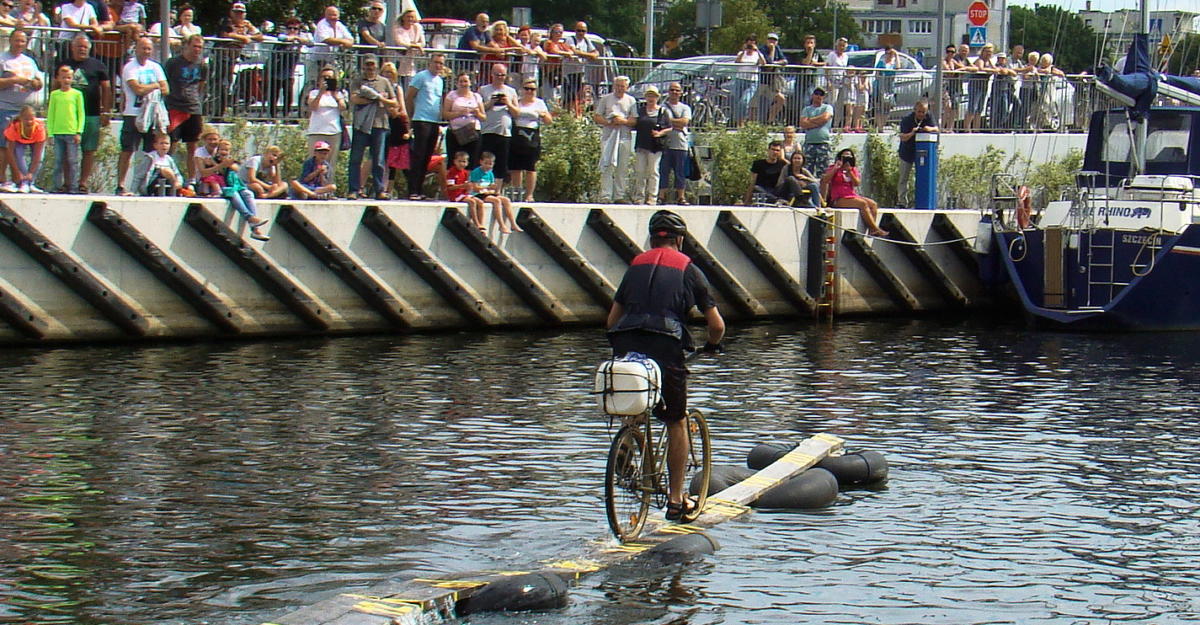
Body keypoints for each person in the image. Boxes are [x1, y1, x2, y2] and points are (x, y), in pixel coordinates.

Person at [606, 209, 725, 522]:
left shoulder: (635, 266)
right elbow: (717, 325)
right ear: (680, 239)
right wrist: (712, 346)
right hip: (665, 342)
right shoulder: (689, 269)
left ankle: (628, 440)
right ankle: (676, 500)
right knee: (676, 420)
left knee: (634, 402)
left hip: (625, 339)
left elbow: (611, 320)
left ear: (650, 238)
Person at [116, 36, 167, 196]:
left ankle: (147, 185)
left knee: (151, 153)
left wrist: (151, 87)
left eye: (148, 49)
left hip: (152, 115)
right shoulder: (130, 67)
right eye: (143, 48)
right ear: (136, 48)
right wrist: (155, 85)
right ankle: (121, 185)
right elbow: (137, 89)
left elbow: (166, 89)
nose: (146, 51)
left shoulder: (156, 67)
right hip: (133, 114)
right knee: (127, 150)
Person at [60, 34, 111, 193]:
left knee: (89, 150)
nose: (82, 49)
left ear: (89, 48)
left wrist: (106, 111)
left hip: (91, 113)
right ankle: (68, 183)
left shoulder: (98, 65)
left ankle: (83, 183)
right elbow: (55, 86)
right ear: (72, 47)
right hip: (68, 116)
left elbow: (106, 89)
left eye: (85, 46)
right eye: (78, 46)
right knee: (68, 152)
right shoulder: (64, 65)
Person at [348, 53, 398, 200]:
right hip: (361, 125)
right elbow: (355, 99)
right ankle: (353, 189)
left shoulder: (384, 82)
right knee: (356, 159)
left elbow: (394, 102)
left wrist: (379, 98)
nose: (370, 68)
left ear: (376, 66)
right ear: (363, 66)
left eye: (372, 65)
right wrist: (375, 98)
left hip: (379, 124)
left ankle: (379, 190)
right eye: (367, 64)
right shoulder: (357, 81)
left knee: (379, 160)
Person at [0, 29, 42, 193]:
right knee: (4, 146)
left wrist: (36, 83)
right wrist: (14, 80)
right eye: (17, 40)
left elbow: (39, 80)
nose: (19, 44)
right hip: (6, 107)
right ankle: (3, 180)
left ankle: (23, 181)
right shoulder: (2, 59)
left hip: (25, 111)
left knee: (22, 148)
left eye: (23, 41)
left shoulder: (30, 61)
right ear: (10, 40)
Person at [163, 34, 206, 187]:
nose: (197, 50)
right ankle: (167, 176)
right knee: (171, 143)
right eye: (195, 46)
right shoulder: (173, 63)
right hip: (174, 106)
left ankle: (192, 179)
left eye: (200, 47)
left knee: (192, 145)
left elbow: (201, 85)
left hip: (193, 107)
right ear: (186, 46)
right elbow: (165, 82)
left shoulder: (202, 64)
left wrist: (194, 99)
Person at [405, 53, 446, 201]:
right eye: (436, 62)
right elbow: (409, 97)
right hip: (421, 119)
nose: (438, 66)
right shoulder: (421, 76)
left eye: (441, 63)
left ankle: (419, 189)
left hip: (434, 121)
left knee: (427, 156)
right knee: (418, 155)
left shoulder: (440, 81)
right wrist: (410, 118)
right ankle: (412, 190)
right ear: (430, 63)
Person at [823, 148, 886, 237]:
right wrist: (835, 169)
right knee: (862, 204)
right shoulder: (833, 167)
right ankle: (875, 229)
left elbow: (856, 183)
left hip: (851, 196)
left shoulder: (852, 169)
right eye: (844, 156)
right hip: (839, 198)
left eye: (849, 156)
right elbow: (825, 180)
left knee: (873, 204)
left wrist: (849, 172)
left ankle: (872, 229)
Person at [214, 2, 261, 118]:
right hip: (221, 58)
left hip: (234, 59)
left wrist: (248, 36)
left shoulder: (246, 24)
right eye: (236, 13)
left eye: (241, 13)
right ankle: (217, 113)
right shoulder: (226, 21)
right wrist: (242, 37)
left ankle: (226, 111)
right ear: (231, 13)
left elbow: (260, 36)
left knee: (228, 85)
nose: (239, 15)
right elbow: (225, 34)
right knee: (221, 85)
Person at [594, 74, 636, 203]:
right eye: (617, 86)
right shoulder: (606, 99)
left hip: (624, 137)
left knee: (622, 168)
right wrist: (609, 122)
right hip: (608, 137)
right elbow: (597, 116)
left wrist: (622, 121)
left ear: (626, 87)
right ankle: (605, 195)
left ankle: (619, 195)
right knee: (607, 166)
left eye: (622, 86)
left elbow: (634, 120)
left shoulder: (631, 100)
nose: (619, 88)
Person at [478, 62, 518, 196]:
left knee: (501, 162)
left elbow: (517, 113)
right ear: (491, 74)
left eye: (502, 75)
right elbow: (479, 109)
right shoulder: (483, 90)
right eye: (497, 75)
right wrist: (491, 102)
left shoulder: (511, 91)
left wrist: (508, 103)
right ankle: (484, 188)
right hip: (487, 130)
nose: (500, 77)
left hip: (504, 132)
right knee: (486, 161)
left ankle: (497, 191)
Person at [509, 77, 550, 202]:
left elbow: (549, 120)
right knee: (516, 167)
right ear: (522, 90)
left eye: (532, 89)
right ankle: (516, 193)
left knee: (530, 167)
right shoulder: (517, 102)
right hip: (517, 133)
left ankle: (529, 195)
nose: (529, 91)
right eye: (527, 89)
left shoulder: (539, 103)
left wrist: (543, 115)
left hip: (532, 135)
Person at [45, 64, 84, 194]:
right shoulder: (55, 95)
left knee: (72, 161)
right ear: (58, 79)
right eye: (63, 77)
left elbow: (80, 114)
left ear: (72, 79)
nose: (66, 80)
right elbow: (51, 114)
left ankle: (73, 186)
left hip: (71, 132)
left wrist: (79, 131)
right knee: (58, 161)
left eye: (68, 77)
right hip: (57, 132)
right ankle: (57, 186)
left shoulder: (77, 94)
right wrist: (50, 132)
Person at [896, 99, 938, 209]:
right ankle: (902, 202)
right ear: (915, 110)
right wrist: (912, 133)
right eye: (919, 112)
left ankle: (920, 201)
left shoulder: (928, 116)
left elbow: (937, 128)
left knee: (922, 177)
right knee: (903, 178)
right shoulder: (907, 120)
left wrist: (929, 128)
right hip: (907, 152)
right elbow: (903, 137)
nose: (921, 114)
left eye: (923, 112)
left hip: (922, 153)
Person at [631, 84, 668, 205]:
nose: (651, 98)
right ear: (645, 97)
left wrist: (660, 133)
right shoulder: (641, 111)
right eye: (649, 96)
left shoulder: (662, 112)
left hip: (655, 146)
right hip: (642, 144)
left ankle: (652, 197)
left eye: (653, 96)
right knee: (640, 171)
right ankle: (639, 197)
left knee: (653, 171)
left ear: (657, 98)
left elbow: (670, 127)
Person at [305, 65, 347, 171]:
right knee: (313, 162)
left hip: (333, 132)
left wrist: (335, 95)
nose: (326, 80)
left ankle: (328, 185)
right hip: (316, 131)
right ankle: (312, 185)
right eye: (324, 77)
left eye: (329, 78)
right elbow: (313, 107)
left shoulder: (338, 94)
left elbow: (343, 107)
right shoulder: (313, 93)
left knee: (330, 163)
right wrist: (321, 92)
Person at [265, 17, 308, 119]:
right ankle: (272, 117)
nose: (292, 31)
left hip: (289, 73)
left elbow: (310, 42)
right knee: (273, 96)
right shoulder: (282, 35)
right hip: (276, 71)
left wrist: (298, 38)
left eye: (295, 29)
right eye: (290, 28)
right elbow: (282, 38)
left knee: (288, 96)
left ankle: (286, 117)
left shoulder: (299, 38)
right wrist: (294, 38)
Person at [657, 81, 691, 205]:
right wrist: (676, 123)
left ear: (681, 93)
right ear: (668, 91)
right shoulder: (662, 107)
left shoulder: (685, 108)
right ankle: (661, 196)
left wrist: (670, 121)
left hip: (681, 144)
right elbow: (661, 122)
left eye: (677, 90)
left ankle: (681, 197)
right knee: (663, 171)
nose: (674, 92)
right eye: (672, 90)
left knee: (680, 172)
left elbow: (685, 122)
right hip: (666, 144)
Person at [443, 70, 484, 169]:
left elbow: (483, 117)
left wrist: (477, 113)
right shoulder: (452, 95)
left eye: (465, 81)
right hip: (455, 132)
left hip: (472, 132)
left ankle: (470, 183)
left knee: (472, 161)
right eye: (461, 81)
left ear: (470, 82)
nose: (463, 84)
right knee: (454, 162)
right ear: (457, 83)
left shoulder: (476, 96)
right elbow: (445, 114)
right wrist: (459, 113)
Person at [470, 151, 517, 234]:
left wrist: (492, 189)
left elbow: (492, 187)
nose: (488, 166)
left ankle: (513, 223)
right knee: (496, 201)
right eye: (486, 163)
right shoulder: (476, 172)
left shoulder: (490, 173)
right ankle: (501, 225)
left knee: (506, 200)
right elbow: (475, 187)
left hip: (487, 193)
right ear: (481, 162)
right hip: (479, 194)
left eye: (490, 164)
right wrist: (487, 188)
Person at [3, 105, 44, 193]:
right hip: (18, 141)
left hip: (35, 141)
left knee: (40, 159)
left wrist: (31, 173)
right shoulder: (14, 127)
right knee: (19, 156)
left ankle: (30, 182)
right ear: (21, 119)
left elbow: (37, 156)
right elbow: (10, 153)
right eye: (26, 119)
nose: (29, 122)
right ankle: (24, 183)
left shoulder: (39, 129)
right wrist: (17, 172)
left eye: (31, 119)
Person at [128, 131, 183, 196]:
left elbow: (177, 174)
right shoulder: (150, 158)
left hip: (168, 184)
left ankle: (176, 190)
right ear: (155, 145)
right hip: (152, 185)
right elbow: (139, 176)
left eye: (167, 143)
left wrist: (179, 182)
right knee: (165, 170)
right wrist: (132, 191)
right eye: (161, 143)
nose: (164, 146)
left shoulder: (169, 159)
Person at [563, 21, 599, 110]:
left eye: (583, 31)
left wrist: (592, 54)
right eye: (579, 31)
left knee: (579, 95)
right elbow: (575, 51)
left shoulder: (587, 41)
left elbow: (596, 52)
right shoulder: (570, 39)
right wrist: (590, 55)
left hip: (581, 72)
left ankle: (577, 114)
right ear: (575, 30)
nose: (581, 33)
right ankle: (567, 114)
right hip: (569, 72)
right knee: (569, 96)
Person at [799, 86, 833, 180]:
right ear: (813, 95)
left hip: (823, 144)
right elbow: (803, 124)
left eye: (821, 94)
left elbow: (825, 118)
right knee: (806, 171)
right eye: (816, 93)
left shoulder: (828, 107)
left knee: (823, 172)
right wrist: (818, 121)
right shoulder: (806, 109)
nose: (818, 96)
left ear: (824, 97)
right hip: (809, 143)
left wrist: (809, 120)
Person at [445, 150, 486, 228]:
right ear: (455, 161)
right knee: (472, 202)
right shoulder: (452, 172)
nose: (461, 164)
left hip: (463, 194)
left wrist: (469, 188)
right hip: (455, 195)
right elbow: (450, 187)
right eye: (459, 161)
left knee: (480, 202)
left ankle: (481, 223)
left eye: (464, 162)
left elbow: (466, 187)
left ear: (467, 163)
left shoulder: (465, 172)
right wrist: (462, 186)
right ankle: (476, 223)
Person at [742, 140, 787, 204]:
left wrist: (783, 158)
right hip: (761, 190)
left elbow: (793, 167)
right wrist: (747, 200)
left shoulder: (782, 165)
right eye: (773, 149)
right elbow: (752, 182)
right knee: (756, 187)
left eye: (777, 150)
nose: (775, 152)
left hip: (775, 190)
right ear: (768, 150)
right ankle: (776, 200)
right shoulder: (758, 164)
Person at [756, 33, 788, 123]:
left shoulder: (778, 48)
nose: (772, 42)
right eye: (770, 39)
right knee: (757, 105)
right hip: (762, 81)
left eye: (774, 40)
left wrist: (775, 62)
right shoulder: (762, 49)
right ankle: (755, 124)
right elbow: (769, 64)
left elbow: (785, 61)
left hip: (774, 82)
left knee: (780, 99)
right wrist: (772, 50)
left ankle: (770, 121)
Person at [966, 43, 998, 132]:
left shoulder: (989, 61)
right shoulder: (980, 60)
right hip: (975, 86)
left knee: (980, 109)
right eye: (987, 51)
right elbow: (981, 68)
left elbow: (996, 69)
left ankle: (976, 128)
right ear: (983, 51)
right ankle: (967, 128)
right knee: (972, 107)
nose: (989, 54)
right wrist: (992, 70)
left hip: (983, 86)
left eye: (990, 52)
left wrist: (993, 69)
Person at [312, 5, 353, 71]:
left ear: (338, 16)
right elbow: (326, 39)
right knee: (314, 80)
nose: (332, 17)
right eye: (330, 15)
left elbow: (350, 38)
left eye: (334, 15)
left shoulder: (339, 25)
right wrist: (343, 42)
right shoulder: (322, 24)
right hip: (316, 59)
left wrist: (348, 42)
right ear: (325, 15)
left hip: (331, 60)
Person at [732, 36, 762, 124]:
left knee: (744, 101)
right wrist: (744, 51)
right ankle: (739, 123)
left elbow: (763, 63)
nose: (750, 47)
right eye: (748, 44)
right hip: (740, 80)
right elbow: (737, 62)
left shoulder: (757, 54)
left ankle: (743, 121)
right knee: (738, 102)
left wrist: (757, 51)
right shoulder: (741, 53)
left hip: (752, 81)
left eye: (752, 44)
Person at [540, 23, 572, 104]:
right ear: (552, 33)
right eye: (556, 32)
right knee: (550, 95)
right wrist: (565, 54)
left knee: (558, 95)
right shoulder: (548, 42)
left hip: (559, 72)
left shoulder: (561, 44)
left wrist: (567, 53)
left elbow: (570, 51)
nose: (558, 34)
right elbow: (553, 51)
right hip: (549, 72)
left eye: (560, 32)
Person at [391, 9, 423, 90]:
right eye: (408, 17)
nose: (410, 19)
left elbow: (422, 42)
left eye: (412, 17)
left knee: (411, 85)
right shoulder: (398, 29)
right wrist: (415, 46)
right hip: (400, 59)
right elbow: (400, 42)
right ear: (403, 18)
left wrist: (416, 45)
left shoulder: (417, 28)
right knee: (399, 86)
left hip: (412, 62)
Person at [794, 34, 824, 120]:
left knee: (810, 102)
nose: (810, 45)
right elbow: (806, 62)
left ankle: (809, 121)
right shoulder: (801, 54)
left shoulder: (817, 54)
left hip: (811, 81)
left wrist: (816, 63)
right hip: (801, 82)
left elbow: (824, 63)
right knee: (801, 103)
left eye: (811, 43)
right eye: (808, 43)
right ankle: (801, 122)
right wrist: (810, 53)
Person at [826, 37, 851, 130]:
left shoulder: (846, 56)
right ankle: (829, 124)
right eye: (840, 45)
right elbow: (827, 68)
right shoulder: (832, 55)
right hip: (833, 81)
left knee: (839, 105)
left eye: (843, 46)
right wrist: (828, 81)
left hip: (842, 82)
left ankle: (836, 125)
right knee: (831, 103)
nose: (842, 47)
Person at [873, 46, 898, 129]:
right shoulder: (881, 62)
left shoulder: (893, 64)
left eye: (891, 53)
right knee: (879, 107)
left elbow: (898, 67)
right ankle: (879, 125)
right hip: (880, 86)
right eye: (888, 53)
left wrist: (896, 54)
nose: (889, 55)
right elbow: (877, 73)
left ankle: (882, 125)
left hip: (889, 87)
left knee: (887, 107)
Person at [940, 46, 963, 132]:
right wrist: (956, 71)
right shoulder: (943, 61)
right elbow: (948, 72)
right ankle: (942, 127)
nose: (950, 53)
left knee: (954, 107)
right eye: (948, 51)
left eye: (952, 52)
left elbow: (965, 67)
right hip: (944, 85)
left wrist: (960, 69)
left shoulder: (953, 61)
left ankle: (950, 128)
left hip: (953, 86)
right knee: (947, 106)